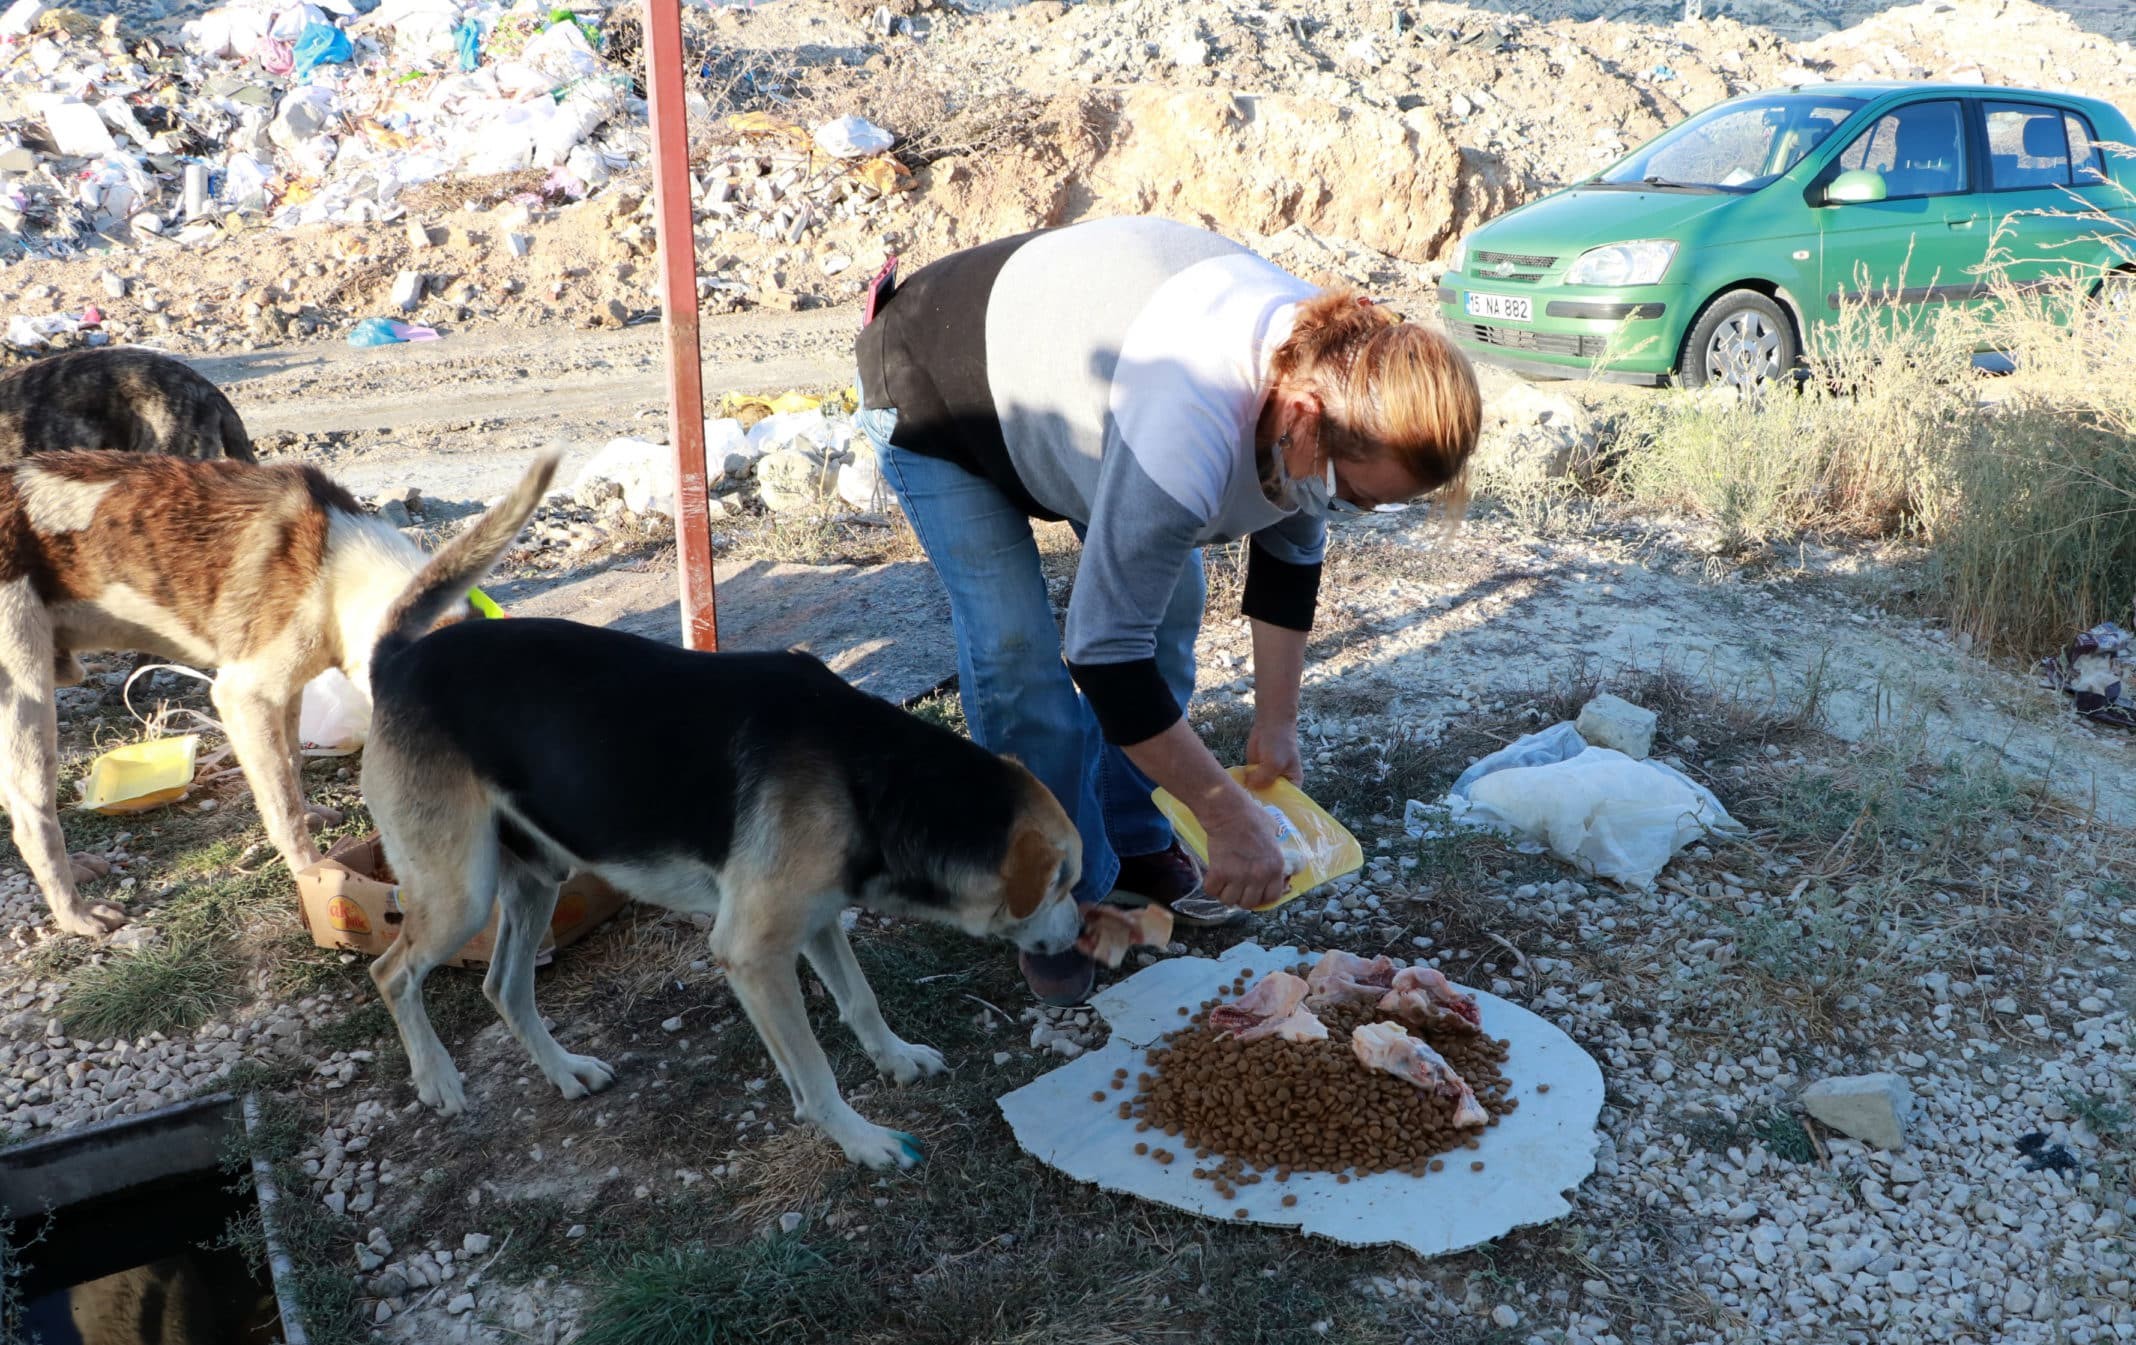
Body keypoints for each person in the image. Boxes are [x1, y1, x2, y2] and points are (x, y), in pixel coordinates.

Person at [854, 216, 1482, 1006]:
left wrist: (1277, 724)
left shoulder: (1332, 375)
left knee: (1175, 595)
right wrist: (1222, 808)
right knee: (1019, 657)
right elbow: (1105, 653)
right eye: (1355, 493)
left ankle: (1138, 835)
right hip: (937, 386)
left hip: (1074, 399)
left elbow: (1290, 557)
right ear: (1305, 418)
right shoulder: (1193, 416)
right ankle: (1053, 901)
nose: (1348, 507)